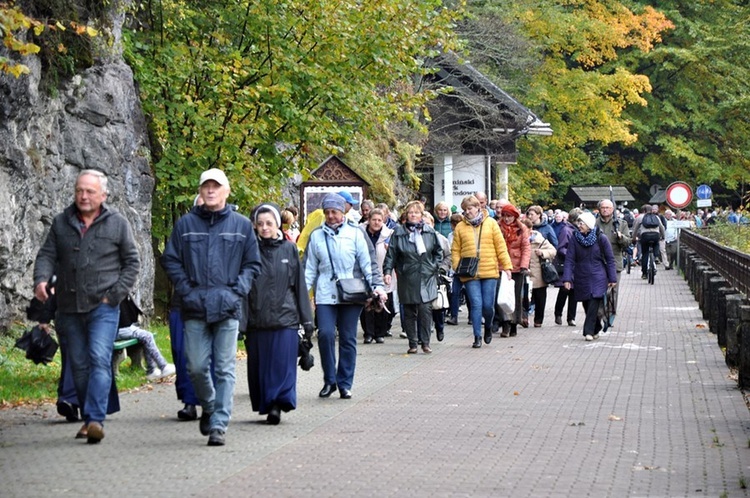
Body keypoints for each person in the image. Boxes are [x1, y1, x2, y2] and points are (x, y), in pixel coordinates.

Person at [33, 169, 140, 444]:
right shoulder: (61, 222)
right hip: (68, 307)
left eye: (90, 191)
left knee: (99, 359)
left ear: (103, 195)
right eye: (79, 190)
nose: (83, 196)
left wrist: (114, 295)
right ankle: (88, 416)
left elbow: (132, 263)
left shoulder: (117, 223)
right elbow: (47, 254)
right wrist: (41, 280)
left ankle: (95, 420)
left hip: (103, 307)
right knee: (79, 365)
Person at [162, 168, 262, 446]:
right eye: (206, 186)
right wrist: (186, 290)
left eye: (216, 186)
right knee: (195, 366)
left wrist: (236, 292)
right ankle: (208, 405)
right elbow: (170, 260)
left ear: (226, 191)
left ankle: (219, 423)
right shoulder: (185, 224)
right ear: (200, 191)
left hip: (227, 308)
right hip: (194, 307)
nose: (210, 190)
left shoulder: (242, 225)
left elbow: (252, 264)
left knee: (225, 368)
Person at [305, 193, 387, 399]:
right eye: (328, 212)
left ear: (343, 212)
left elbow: (368, 263)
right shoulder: (316, 236)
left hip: (351, 291)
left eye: (335, 212)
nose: (331, 216)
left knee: (348, 338)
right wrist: (301, 294)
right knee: (324, 334)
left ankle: (344, 383)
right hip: (325, 292)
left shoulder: (356, 234)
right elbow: (308, 269)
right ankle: (329, 380)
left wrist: (377, 286)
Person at [245, 203, 314, 425]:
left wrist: (307, 319)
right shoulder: (249, 251)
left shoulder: (289, 249)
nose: (265, 228)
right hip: (257, 318)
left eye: (269, 223)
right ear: (255, 226)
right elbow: (242, 287)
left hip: (286, 317)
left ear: (278, 224)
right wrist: (240, 320)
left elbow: (299, 285)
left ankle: (278, 404)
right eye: (260, 224)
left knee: (282, 365)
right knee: (261, 367)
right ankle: (267, 403)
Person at [452, 195, 512, 348]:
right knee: (476, 304)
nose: (467, 212)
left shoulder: (491, 223)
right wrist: (457, 266)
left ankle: (488, 327)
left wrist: (507, 266)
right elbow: (455, 249)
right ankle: (477, 336)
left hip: (489, 270)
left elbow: (500, 246)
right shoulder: (460, 227)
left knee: (488, 306)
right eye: (465, 209)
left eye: (470, 208)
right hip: (469, 272)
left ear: (478, 207)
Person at [383, 201, 443, 354]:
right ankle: (413, 343)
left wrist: (433, 266)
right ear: (406, 215)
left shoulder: (429, 232)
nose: (413, 215)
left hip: (426, 275)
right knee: (409, 311)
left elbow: (438, 252)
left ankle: (425, 342)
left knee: (425, 310)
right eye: (411, 212)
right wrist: (388, 272)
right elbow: (391, 255)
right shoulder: (399, 233)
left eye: (417, 212)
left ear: (421, 215)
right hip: (407, 275)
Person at [561, 211, 617, 341]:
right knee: (586, 303)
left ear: (589, 225)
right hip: (581, 275)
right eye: (578, 223)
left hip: (598, 275)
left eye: (582, 223)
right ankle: (596, 327)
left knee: (593, 300)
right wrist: (567, 278)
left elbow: (610, 259)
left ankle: (588, 332)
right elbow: (569, 260)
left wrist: (612, 278)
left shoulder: (601, 238)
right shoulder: (575, 238)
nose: (579, 225)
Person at [116, 296, 175, 381]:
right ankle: (162, 366)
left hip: (124, 327)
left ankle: (152, 370)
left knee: (147, 336)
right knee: (147, 336)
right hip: (118, 329)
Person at [360, 208, 395, 344]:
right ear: (369, 220)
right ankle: (368, 333)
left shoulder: (389, 234)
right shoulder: (360, 233)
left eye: (379, 220)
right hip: (364, 273)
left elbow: (393, 254)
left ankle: (380, 333)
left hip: (383, 271)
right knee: (367, 304)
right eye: (374, 220)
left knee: (383, 303)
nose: (376, 222)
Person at [497, 203, 530, 337]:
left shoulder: (521, 229)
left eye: (509, 216)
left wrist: (524, 265)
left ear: (514, 216)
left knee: (516, 296)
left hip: (517, 267)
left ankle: (514, 323)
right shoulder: (498, 227)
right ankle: (505, 323)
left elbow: (526, 248)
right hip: (501, 266)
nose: (506, 219)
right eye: (504, 216)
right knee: (501, 296)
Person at [595, 199, 631, 306]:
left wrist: (621, 237)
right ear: (599, 209)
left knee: (613, 291)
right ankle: (598, 315)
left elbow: (628, 243)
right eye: (603, 207)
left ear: (613, 209)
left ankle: (610, 316)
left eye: (608, 208)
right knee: (597, 290)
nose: (605, 210)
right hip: (598, 261)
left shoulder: (621, 224)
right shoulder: (594, 224)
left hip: (614, 262)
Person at [423, 212, 451, 342]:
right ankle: (423, 335)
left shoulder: (441, 239)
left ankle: (440, 327)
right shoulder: (414, 238)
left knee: (437, 305)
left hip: (436, 275)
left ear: (432, 224)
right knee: (423, 307)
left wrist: (443, 269)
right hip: (421, 276)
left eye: (427, 223)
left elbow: (448, 256)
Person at [525, 219, 557, 328]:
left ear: (530, 229)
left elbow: (553, 251)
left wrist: (543, 253)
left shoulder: (540, 240)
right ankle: (524, 318)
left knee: (540, 299)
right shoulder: (518, 239)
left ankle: (538, 320)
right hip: (525, 274)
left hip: (539, 274)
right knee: (524, 298)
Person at [553, 208, 580, 326]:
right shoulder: (567, 230)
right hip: (567, 264)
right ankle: (558, 313)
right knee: (564, 290)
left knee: (574, 291)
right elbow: (561, 248)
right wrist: (571, 254)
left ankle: (571, 317)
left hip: (577, 265)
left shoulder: (579, 230)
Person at [631, 204, 665, 280]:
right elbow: (661, 227)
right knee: (656, 244)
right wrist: (663, 236)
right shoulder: (656, 217)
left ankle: (644, 273)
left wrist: (633, 238)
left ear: (644, 210)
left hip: (644, 236)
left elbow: (635, 229)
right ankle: (656, 256)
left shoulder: (640, 217)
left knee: (645, 253)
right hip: (656, 235)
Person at [446, 212, 467, 326]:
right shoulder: (450, 236)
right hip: (455, 268)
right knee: (455, 292)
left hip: (466, 266)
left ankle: (471, 317)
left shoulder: (466, 233)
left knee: (468, 293)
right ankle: (454, 316)